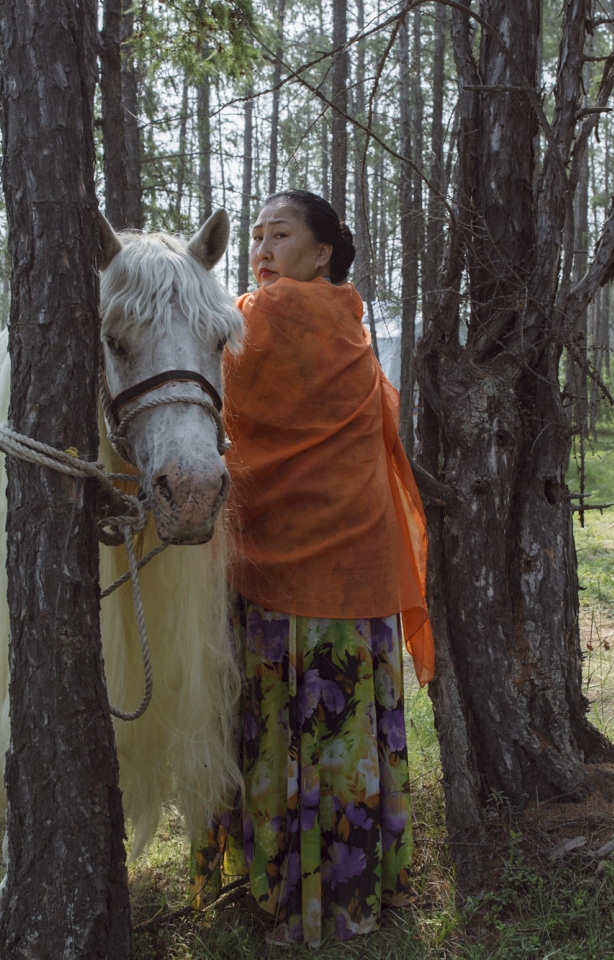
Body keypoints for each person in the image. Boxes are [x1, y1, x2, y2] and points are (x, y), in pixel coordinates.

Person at [190, 190, 432, 946]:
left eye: (281, 235)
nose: (261, 248)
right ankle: (358, 884)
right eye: (256, 235)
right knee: (345, 738)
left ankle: (276, 885)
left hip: (274, 576)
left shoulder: (253, 319)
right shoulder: (355, 327)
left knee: (278, 733)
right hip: (356, 580)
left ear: (322, 250)